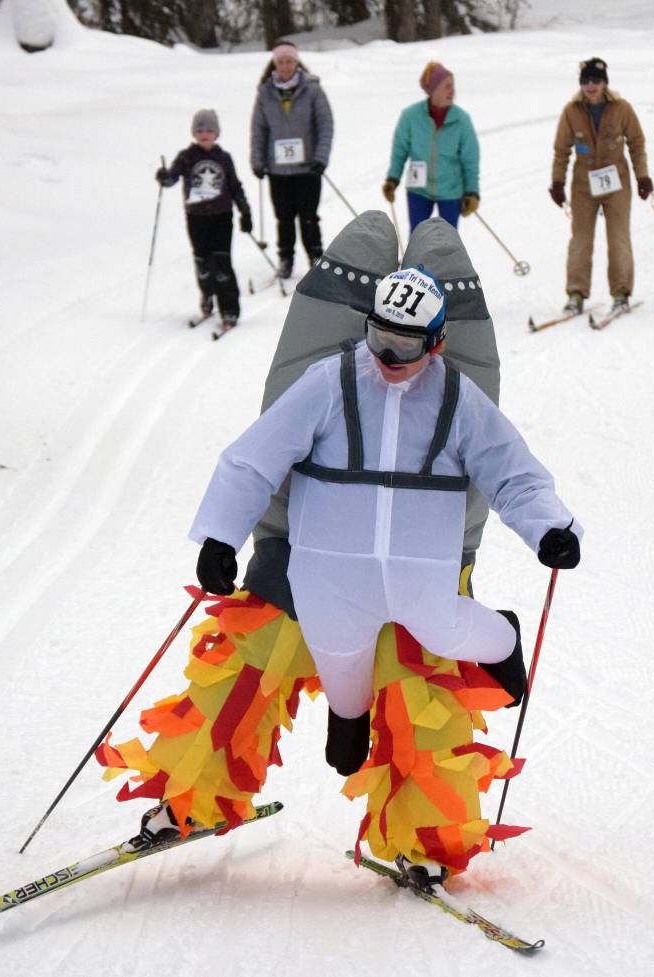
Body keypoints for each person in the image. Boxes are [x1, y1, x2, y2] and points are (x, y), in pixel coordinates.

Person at [189, 265, 582, 789]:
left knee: (443, 628)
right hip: (328, 574)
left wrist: (549, 527)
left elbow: (512, 472)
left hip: (422, 573)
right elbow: (256, 457)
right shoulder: (332, 382)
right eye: (380, 338)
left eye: (406, 344)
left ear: (437, 343)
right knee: (336, 654)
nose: (390, 358)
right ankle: (349, 714)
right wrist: (221, 534)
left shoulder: (457, 400)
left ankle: (502, 638)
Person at [549, 58, 652, 317]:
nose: (591, 86)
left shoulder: (621, 108)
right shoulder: (571, 111)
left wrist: (643, 177)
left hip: (616, 183)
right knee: (580, 240)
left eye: (596, 81)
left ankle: (620, 293)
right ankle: (576, 294)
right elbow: (561, 150)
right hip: (584, 185)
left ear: (605, 83)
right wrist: (558, 182)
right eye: (586, 81)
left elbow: (636, 143)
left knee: (618, 238)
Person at [157, 109, 252, 330]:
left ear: (216, 133)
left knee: (221, 263)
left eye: (209, 130)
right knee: (203, 262)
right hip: (196, 217)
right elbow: (172, 178)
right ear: (194, 133)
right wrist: (164, 177)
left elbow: (235, 186)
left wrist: (245, 210)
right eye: (200, 130)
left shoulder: (223, 158)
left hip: (221, 217)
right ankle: (207, 296)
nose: (204, 134)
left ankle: (229, 308)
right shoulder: (187, 157)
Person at [250, 39, 334, 280]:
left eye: (289, 61)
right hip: (278, 170)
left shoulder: (313, 90)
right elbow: (258, 130)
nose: (285, 66)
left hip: (308, 168)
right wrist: (257, 161)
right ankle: (285, 258)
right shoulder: (265, 93)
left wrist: (321, 157)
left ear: (296, 62)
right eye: (281, 62)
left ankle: (316, 256)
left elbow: (325, 124)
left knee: (309, 216)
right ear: (275, 64)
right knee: (283, 217)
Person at [383, 62, 481, 233]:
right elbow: (400, 151)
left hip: (451, 191)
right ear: (433, 90)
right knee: (417, 240)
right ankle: (415, 261)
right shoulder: (410, 117)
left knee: (447, 245)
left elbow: (470, 160)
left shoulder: (461, 120)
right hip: (418, 190)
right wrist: (393, 178)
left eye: (453, 86)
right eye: (447, 86)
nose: (452, 91)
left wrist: (472, 192)